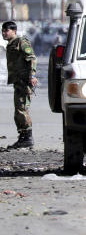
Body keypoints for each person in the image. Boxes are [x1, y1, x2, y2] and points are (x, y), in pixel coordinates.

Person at [3, 21, 38, 149]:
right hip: (18, 81)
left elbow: (32, 58)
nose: (4, 33)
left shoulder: (21, 42)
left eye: (6, 30)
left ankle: (28, 137)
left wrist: (32, 75)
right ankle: (23, 136)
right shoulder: (11, 44)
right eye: (3, 30)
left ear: (14, 31)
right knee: (18, 110)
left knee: (22, 109)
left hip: (24, 81)